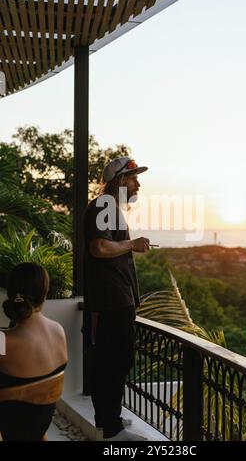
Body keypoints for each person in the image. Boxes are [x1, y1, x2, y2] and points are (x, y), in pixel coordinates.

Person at [83, 157, 150, 441]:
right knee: (116, 361)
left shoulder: (108, 207)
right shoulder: (105, 205)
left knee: (111, 361)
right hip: (112, 300)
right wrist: (133, 244)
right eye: (133, 178)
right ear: (121, 181)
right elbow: (99, 247)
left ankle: (108, 419)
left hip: (113, 299)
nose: (138, 183)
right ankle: (112, 430)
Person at [0, 262, 68, 441]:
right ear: (44, 295)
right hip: (38, 429)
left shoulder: (3, 341)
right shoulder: (58, 331)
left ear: (11, 294)